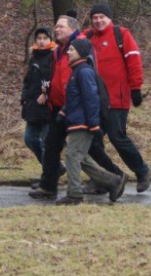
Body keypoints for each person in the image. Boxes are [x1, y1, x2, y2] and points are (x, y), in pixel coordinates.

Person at [29, 15, 125, 200]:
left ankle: (112, 178)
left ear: (73, 29)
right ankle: (49, 185)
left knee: (83, 152)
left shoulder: (80, 50)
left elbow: (88, 94)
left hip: (75, 111)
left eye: (61, 26)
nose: (56, 30)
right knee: (57, 147)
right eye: (56, 26)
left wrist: (91, 121)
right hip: (63, 108)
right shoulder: (60, 50)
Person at [85, 3, 151, 192]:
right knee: (92, 141)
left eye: (102, 17)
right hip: (95, 100)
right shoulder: (88, 37)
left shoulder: (121, 34)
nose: (98, 21)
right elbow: (71, 41)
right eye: (95, 17)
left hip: (117, 98)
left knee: (117, 137)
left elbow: (134, 61)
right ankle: (107, 177)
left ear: (109, 18)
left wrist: (136, 89)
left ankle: (142, 171)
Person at [55, 39, 128, 205]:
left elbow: (91, 99)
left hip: (83, 123)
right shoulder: (77, 71)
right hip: (77, 122)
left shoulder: (84, 72)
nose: (68, 52)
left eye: (72, 49)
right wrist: (63, 111)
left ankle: (74, 194)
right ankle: (113, 181)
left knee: (72, 156)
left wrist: (93, 124)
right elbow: (76, 99)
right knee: (82, 158)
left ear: (81, 52)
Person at [20, 27, 55, 171]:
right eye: (39, 39)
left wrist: (46, 93)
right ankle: (54, 168)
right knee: (29, 139)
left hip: (49, 107)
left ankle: (49, 175)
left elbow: (54, 79)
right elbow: (28, 81)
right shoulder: (34, 57)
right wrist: (24, 97)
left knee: (47, 143)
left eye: (44, 38)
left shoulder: (54, 57)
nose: (41, 41)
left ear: (50, 40)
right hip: (33, 106)